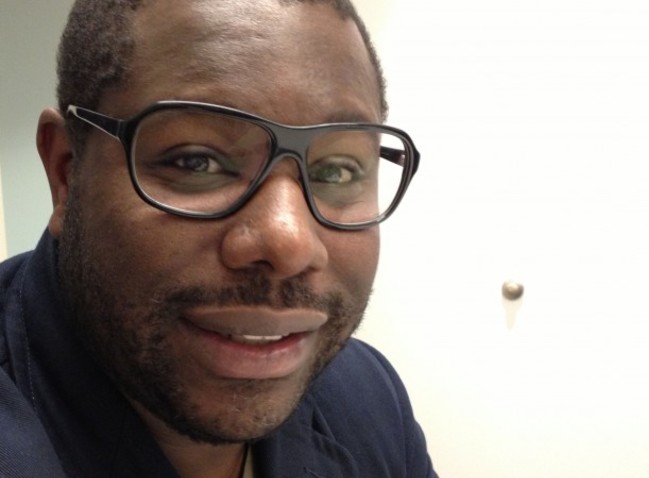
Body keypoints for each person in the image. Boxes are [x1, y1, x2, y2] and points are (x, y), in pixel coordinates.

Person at [0, 0, 437, 476]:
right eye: (196, 161)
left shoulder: (369, 398)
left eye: (337, 170)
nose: (289, 243)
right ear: (66, 174)